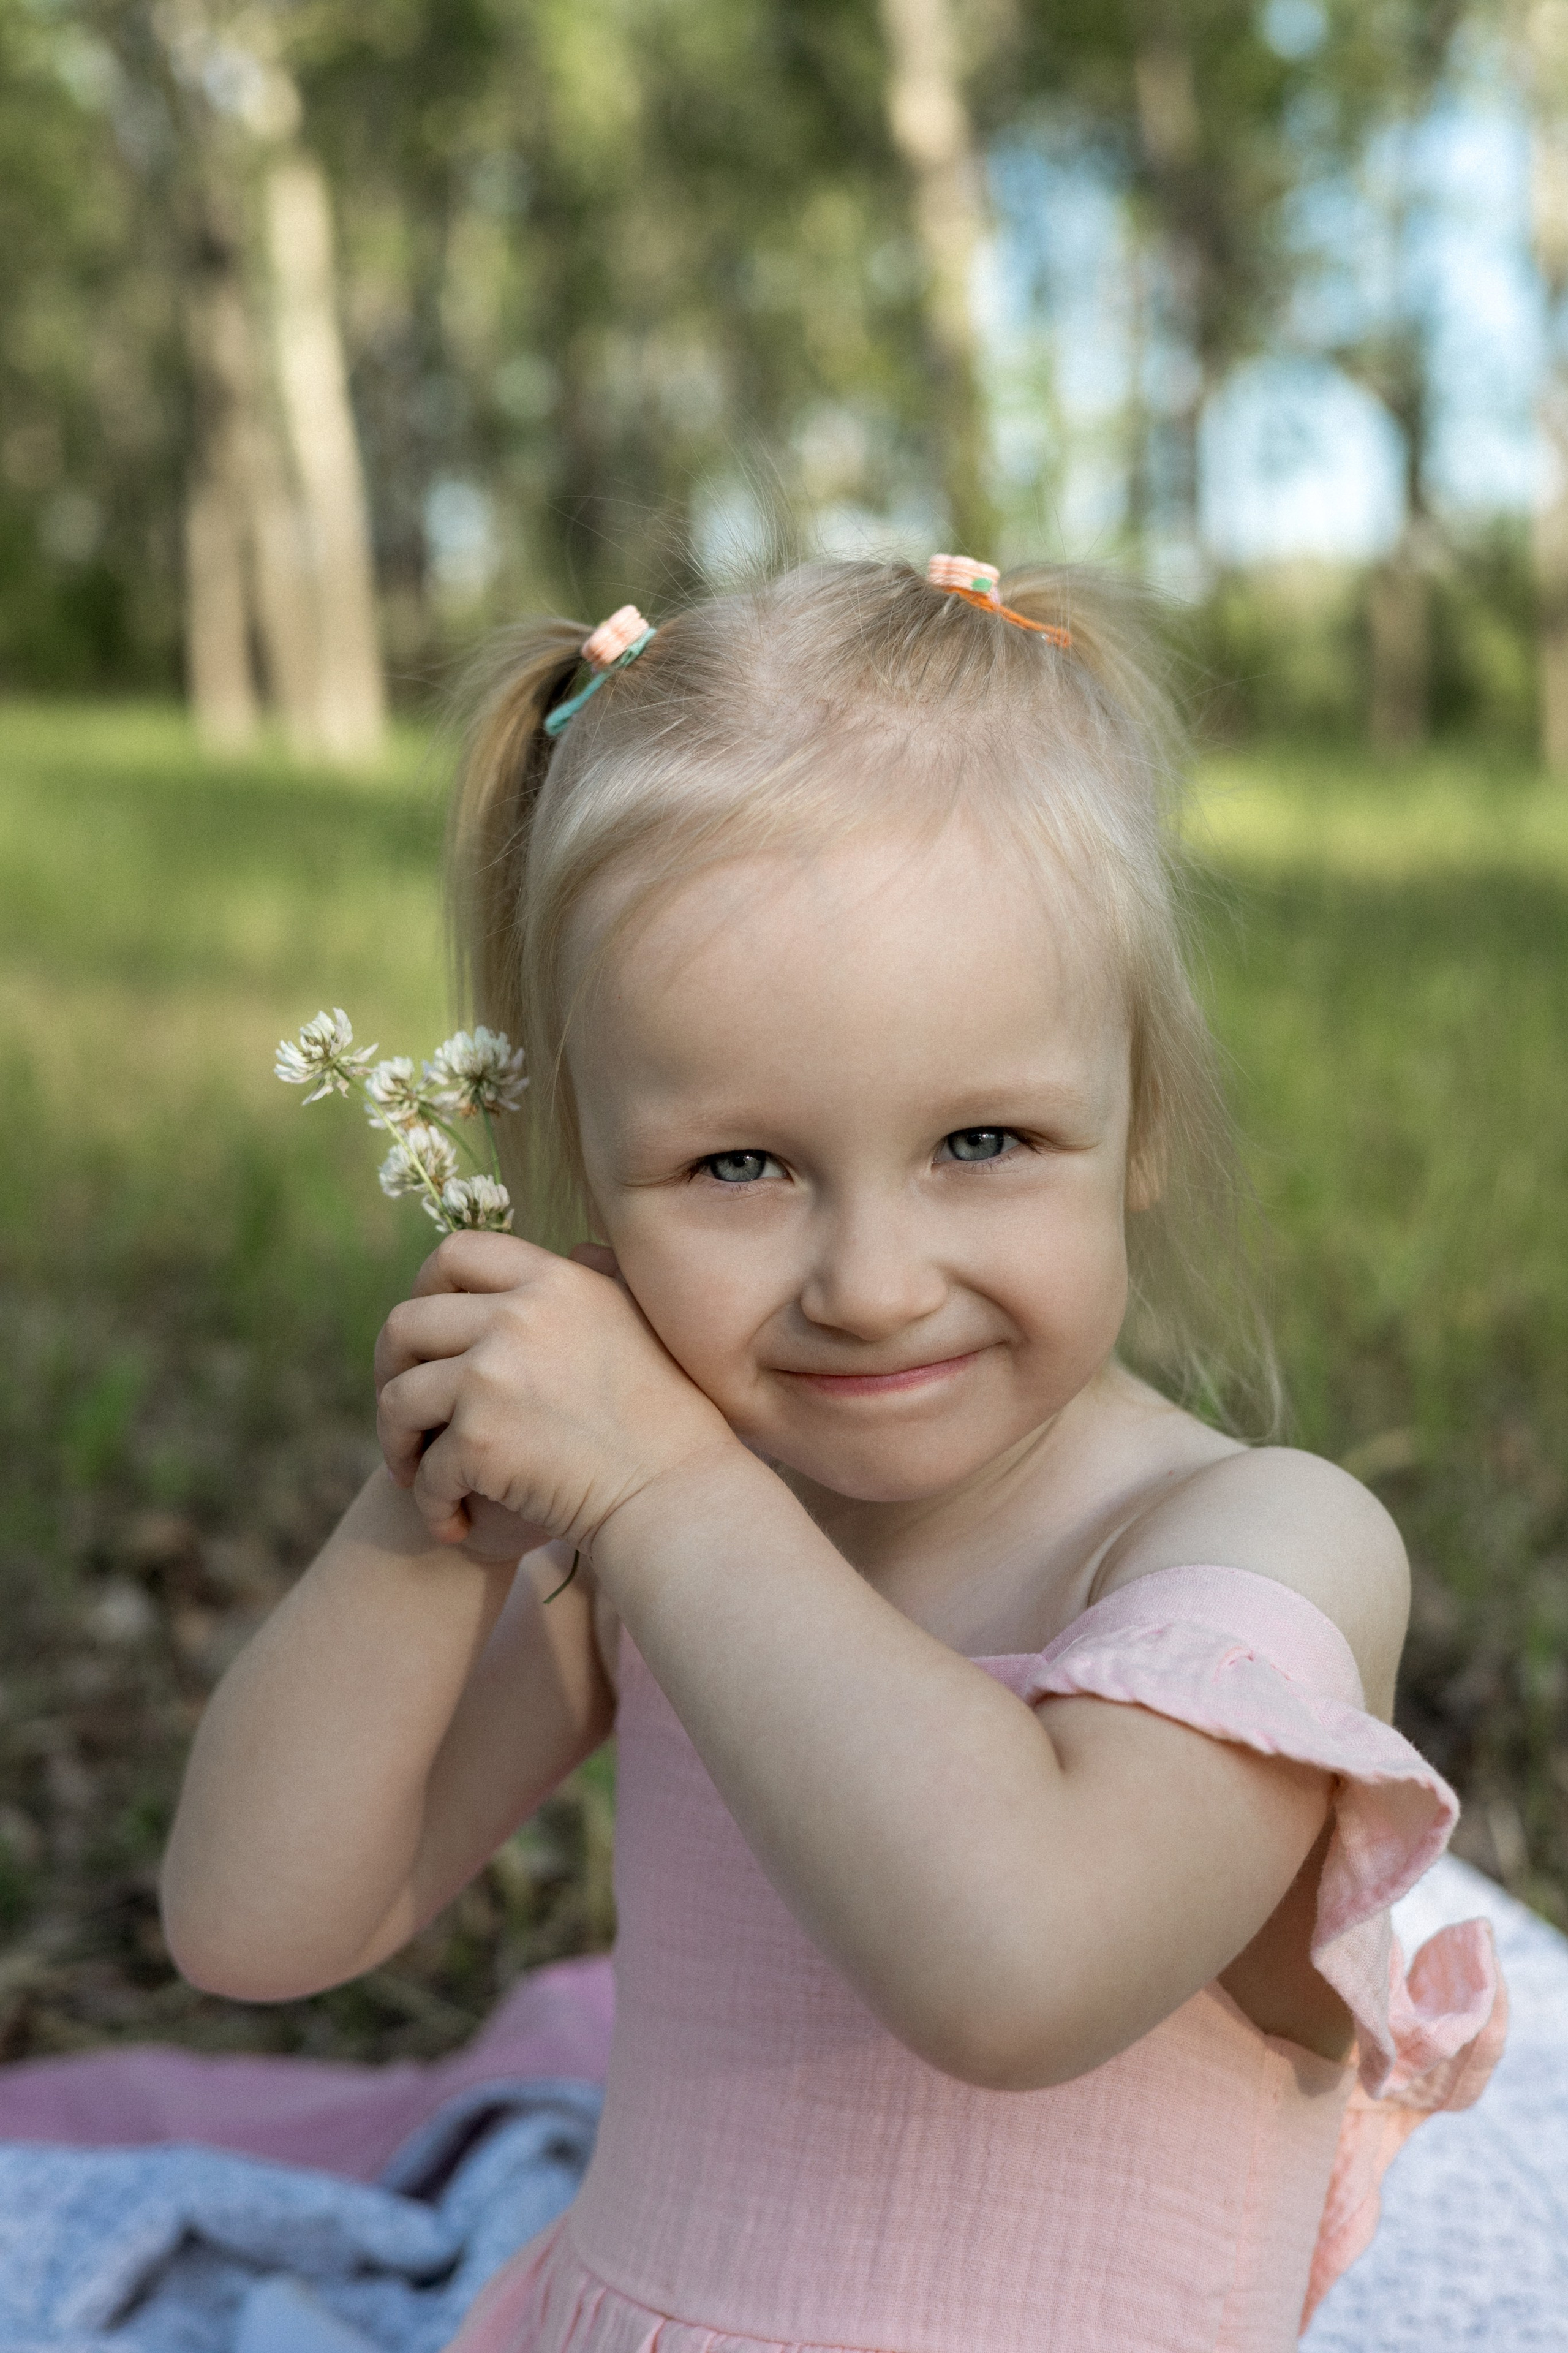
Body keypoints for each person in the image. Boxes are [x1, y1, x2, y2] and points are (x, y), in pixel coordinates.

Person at [160, 556, 1506, 2353]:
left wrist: (665, 1491)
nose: (873, 1285)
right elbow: (258, 1922)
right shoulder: (651, 1540)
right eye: (738, 1166)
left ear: (1142, 1126)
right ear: (589, 1156)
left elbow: (1017, 1968)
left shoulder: (1260, 1542)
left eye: (983, 1137)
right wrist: (427, 1522)